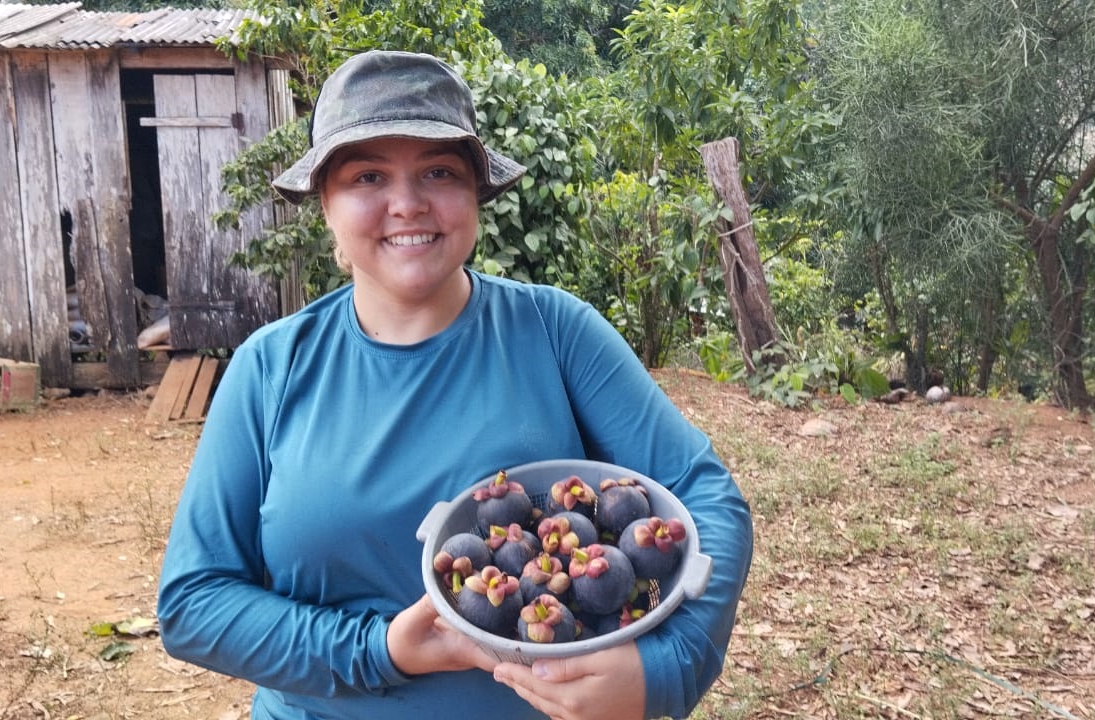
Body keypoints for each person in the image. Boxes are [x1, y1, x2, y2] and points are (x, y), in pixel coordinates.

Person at [156, 49, 752, 720]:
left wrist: (663, 670)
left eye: (438, 171)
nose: (407, 204)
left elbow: (708, 496)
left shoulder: (555, 333)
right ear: (325, 206)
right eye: (367, 175)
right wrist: (379, 649)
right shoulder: (270, 368)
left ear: (475, 193)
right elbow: (194, 603)